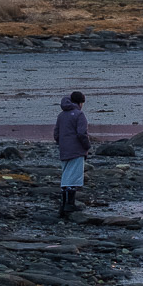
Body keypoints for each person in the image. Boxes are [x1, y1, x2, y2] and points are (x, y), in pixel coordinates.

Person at [54, 90, 89, 218]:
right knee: (73, 177)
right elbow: (82, 133)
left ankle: (63, 205)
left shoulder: (61, 115)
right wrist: (87, 146)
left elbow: (56, 134)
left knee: (65, 175)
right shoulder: (79, 115)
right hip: (76, 150)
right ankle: (70, 204)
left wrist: (61, 143)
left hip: (64, 150)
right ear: (80, 103)